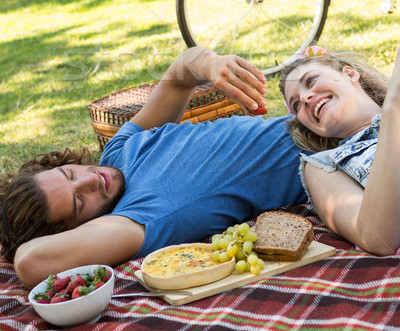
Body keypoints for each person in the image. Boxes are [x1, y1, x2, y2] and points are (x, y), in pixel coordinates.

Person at [2, 46, 310, 288]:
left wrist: (209, 64)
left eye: (70, 173)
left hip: (308, 114)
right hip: (329, 148)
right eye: (79, 201)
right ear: (79, 230)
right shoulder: (136, 220)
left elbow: (181, 72)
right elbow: (30, 261)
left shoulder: (117, 153)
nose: (90, 180)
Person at [279, 44, 399, 257]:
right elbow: (376, 238)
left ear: (350, 74)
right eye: (296, 105)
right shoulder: (322, 167)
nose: (305, 99)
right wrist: (392, 110)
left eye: (311, 80)